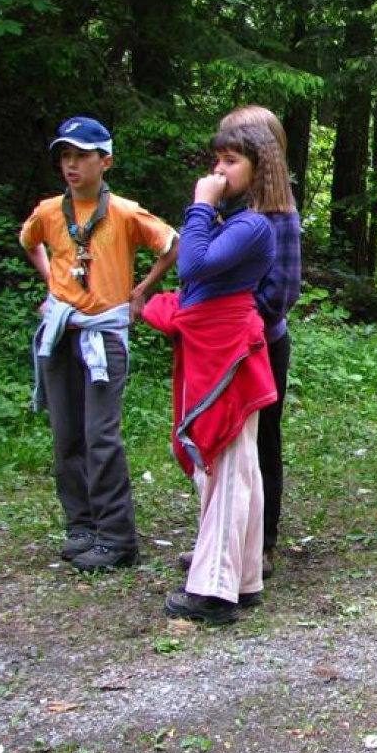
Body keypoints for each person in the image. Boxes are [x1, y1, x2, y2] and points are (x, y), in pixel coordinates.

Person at [21, 116, 177, 571]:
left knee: (100, 436)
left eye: (81, 156)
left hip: (103, 338)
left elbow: (172, 244)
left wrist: (140, 292)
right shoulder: (51, 211)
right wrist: (53, 284)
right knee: (66, 434)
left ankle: (117, 537)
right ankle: (81, 526)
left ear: (104, 161)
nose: (71, 166)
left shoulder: (125, 212)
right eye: (65, 157)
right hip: (60, 334)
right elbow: (29, 240)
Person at [143, 123, 279, 625]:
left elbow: (193, 266)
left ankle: (213, 590)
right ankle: (242, 578)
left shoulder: (254, 225)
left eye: (231, 163)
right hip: (215, 344)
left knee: (225, 461)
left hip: (228, 350)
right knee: (238, 463)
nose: (218, 172)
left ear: (258, 170)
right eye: (216, 161)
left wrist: (199, 204)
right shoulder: (233, 220)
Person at [218, 105, 300, 580]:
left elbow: (283, 291)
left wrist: (237, 323)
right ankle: (222, 537)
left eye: (235, 153)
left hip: (259, 345)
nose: (222, 166)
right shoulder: (222, 208)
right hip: (218, 345)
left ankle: (261, 543)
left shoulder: (279, 215)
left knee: (261, 441)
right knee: (223, 441)